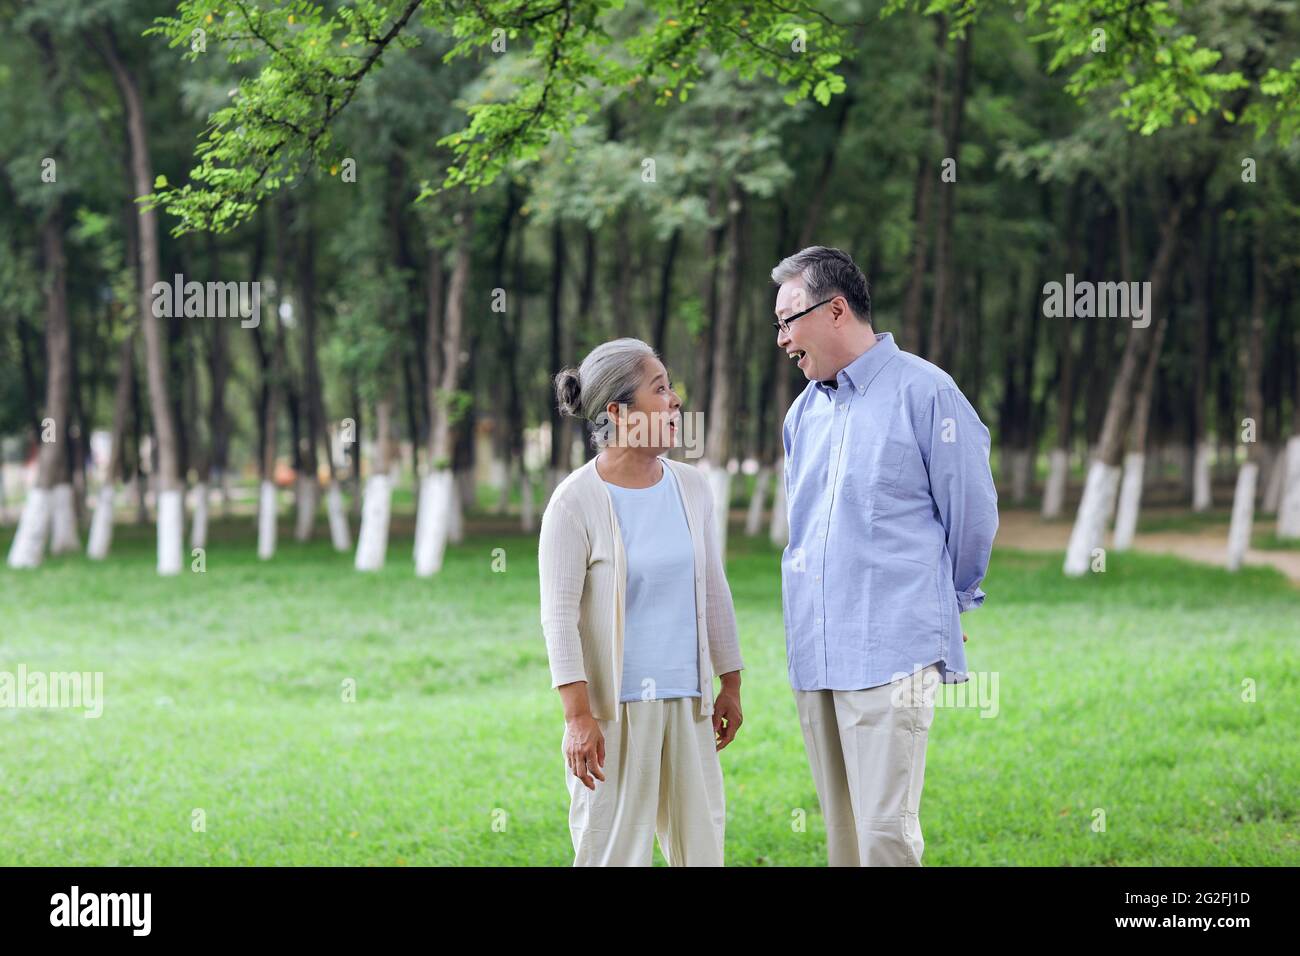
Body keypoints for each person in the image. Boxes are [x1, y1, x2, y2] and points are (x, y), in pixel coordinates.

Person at [772, 246, 998, 866]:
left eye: (789, 320)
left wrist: (945, 604)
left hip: (892, 650)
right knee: (844, 839)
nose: (783, 338)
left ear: (836, 309)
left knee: (883, 835)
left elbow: (972, 516)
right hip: (815, 652)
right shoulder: (802, 414)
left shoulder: (927, 392)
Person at [539, 337, 744, 866]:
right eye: (660, 389)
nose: (675, 400)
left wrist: (731, 681)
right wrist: (577, 718)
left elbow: (713, 588)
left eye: (671, 387)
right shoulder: (575, 502)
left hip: (689, 703)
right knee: (612, 854)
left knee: (701, 853)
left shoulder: (692, 487)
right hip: (612, 713)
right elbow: (558, 618)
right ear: (617, 411)